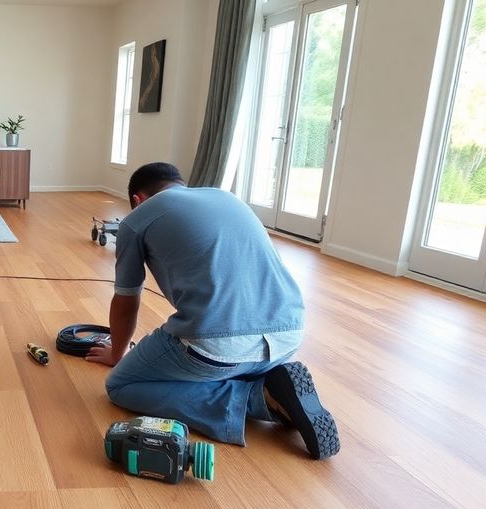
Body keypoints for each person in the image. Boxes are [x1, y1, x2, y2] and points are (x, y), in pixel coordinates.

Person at [87, 162, 340, 459]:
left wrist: (117, 353)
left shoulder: (136, 219)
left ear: (137, 200)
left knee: (121, 384)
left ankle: (257, 400)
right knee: (226, 357)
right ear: (182, 184)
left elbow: (127, 299)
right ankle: (275, 387)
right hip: (287, 338)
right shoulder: (227, 197)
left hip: (214, 351)